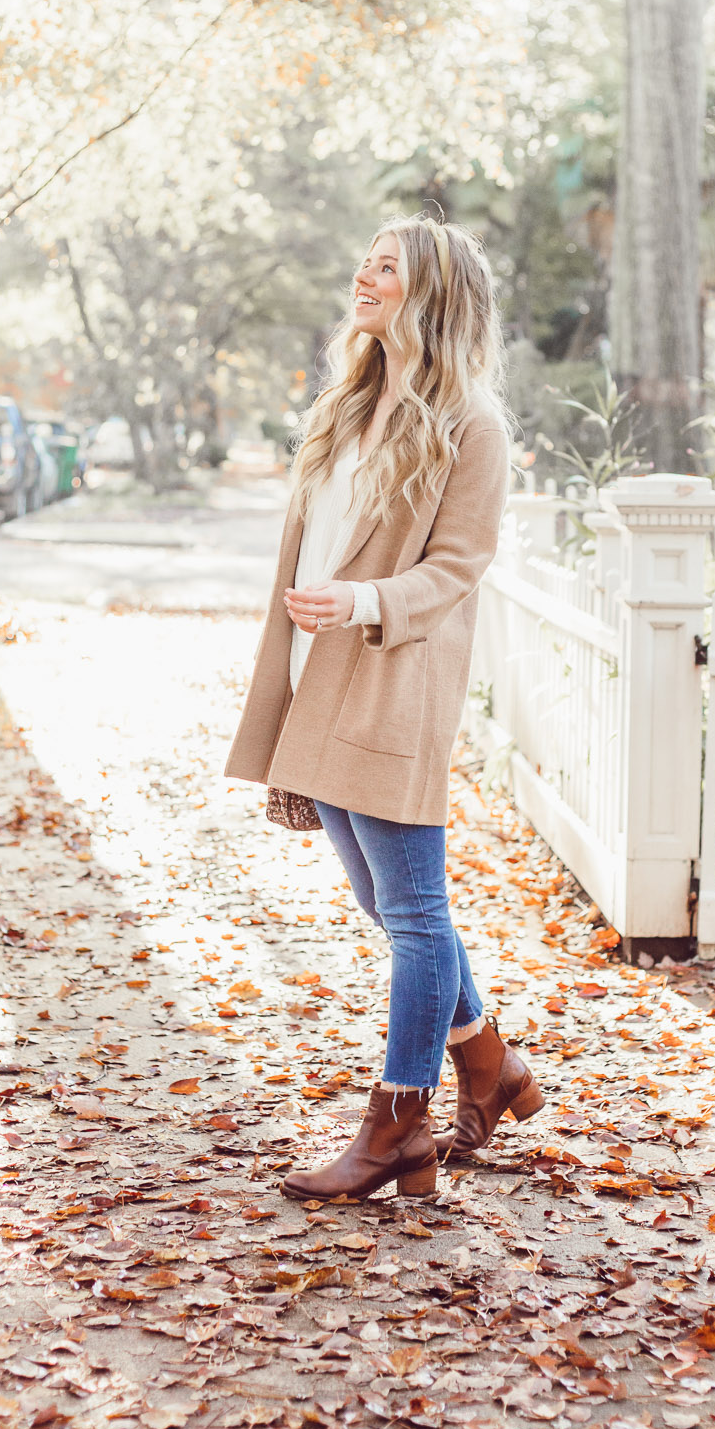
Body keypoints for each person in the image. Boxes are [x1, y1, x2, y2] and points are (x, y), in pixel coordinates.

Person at [225, 213, 544, 1201]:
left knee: (413, 915)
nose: (364, 276)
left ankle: (396, 1126)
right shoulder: (345, 405)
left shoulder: (470, 425)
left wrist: (361, 602)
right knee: (383, 899)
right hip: (324, 670)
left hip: (392, 670)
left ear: (433, 296)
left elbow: (458, 565)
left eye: (388, 268)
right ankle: (489, 1058)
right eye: (363, 260)